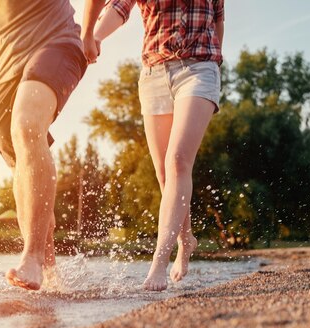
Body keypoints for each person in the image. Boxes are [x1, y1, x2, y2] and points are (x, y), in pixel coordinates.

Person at [82, 0, 225, 291]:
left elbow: (218, 19)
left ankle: (159, 264)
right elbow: (119, 7)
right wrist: (95, 36)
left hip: (199, 70)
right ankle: (186, 239)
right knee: (163, 173)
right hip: (154, 74)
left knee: (178, 161)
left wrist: (213, 58)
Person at [0, 0, 105, 290]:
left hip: (56, 40)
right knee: (21, 162)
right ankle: (49, 275)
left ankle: (32, 256)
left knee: (26, 125)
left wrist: (88, 32)